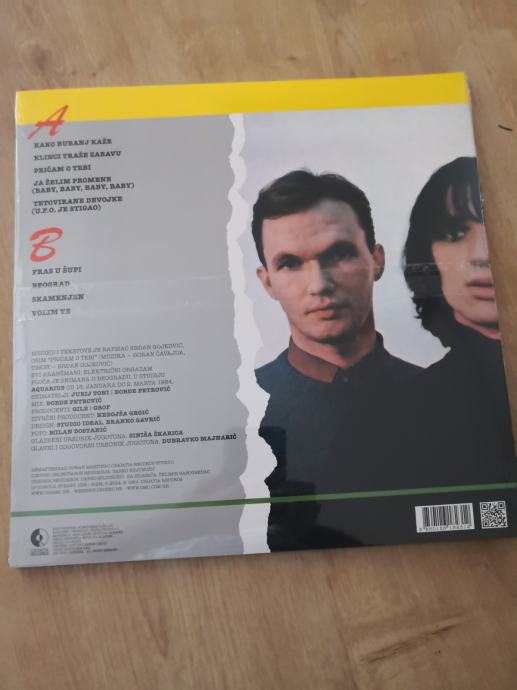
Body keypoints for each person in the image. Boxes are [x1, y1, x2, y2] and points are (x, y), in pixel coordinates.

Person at [251, 169, 421, 549]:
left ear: (376, 260)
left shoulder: (446, 397)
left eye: (339, 254)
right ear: (267, 282)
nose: (319, 285)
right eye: (290, 263)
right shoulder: (244, 412)